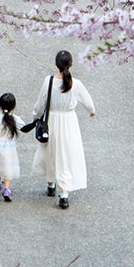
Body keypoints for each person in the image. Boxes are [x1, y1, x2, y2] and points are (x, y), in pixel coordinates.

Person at [31, 50, 95, 209]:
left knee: (51, 152)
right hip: (69, 122)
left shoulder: (49, 81)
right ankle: (64, 193)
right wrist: (91, 110)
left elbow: (40, 103)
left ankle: (51, 184)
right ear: (71, 64)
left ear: (56, 64)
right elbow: (88, 102)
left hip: (52, 120)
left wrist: (35, 117)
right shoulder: (76, 84)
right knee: (66, 155)